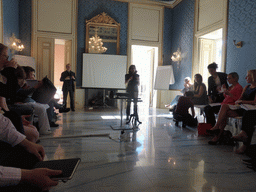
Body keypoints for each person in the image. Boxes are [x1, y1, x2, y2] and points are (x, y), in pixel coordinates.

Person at [208, 70, 256, 146]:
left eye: (248, 76)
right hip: (239, 107)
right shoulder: (246, 87)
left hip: (247, 109)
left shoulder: (239, 87)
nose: (246, 77)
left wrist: (240, 101)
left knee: (224, 108)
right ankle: (218, 135)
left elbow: (253, 102)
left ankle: (217, 131)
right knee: (223, 112)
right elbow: (239, 99)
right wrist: (225, 92)